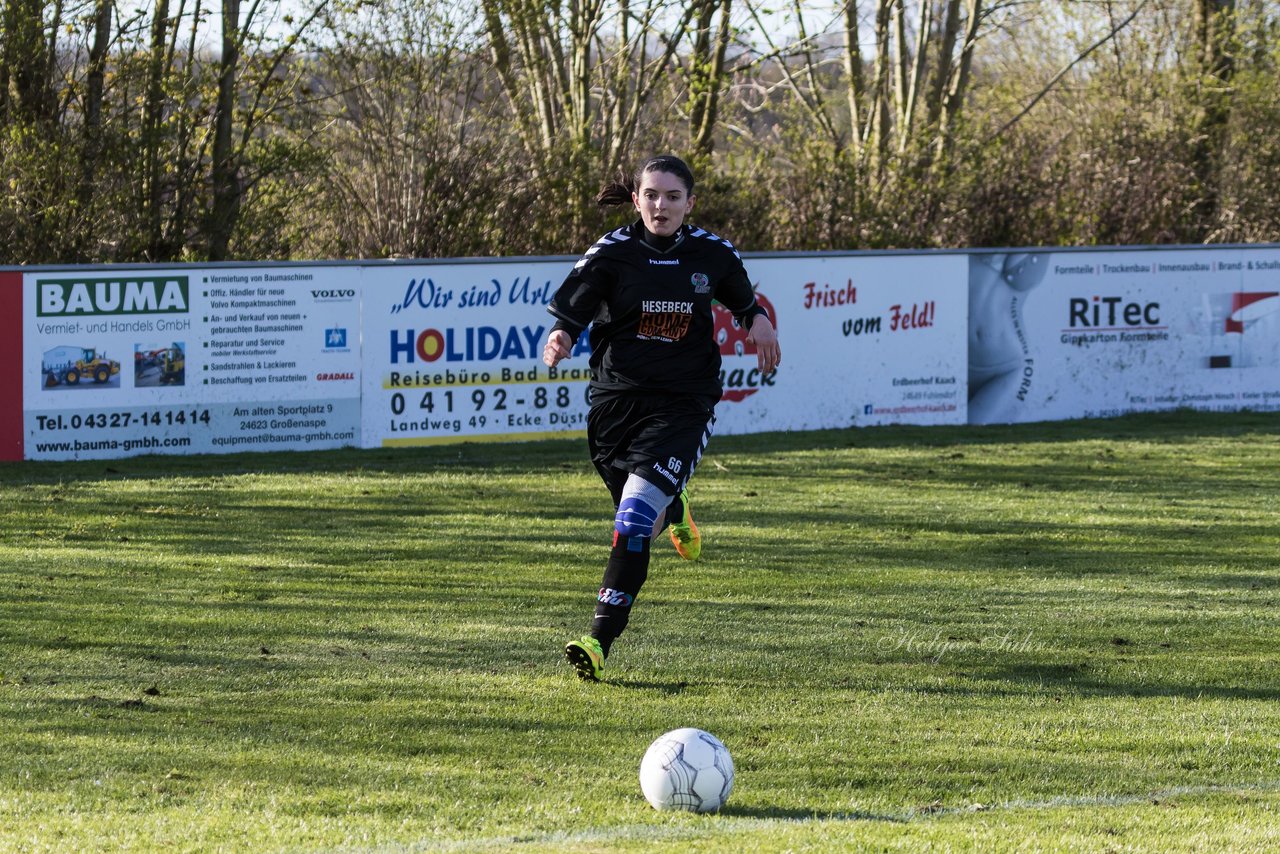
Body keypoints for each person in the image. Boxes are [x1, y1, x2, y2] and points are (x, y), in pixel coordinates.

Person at [541, 154, 781, 681]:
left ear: (690, 203)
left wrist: (758, 323)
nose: (661, 205)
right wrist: (561, 334)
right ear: (636, 199)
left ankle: (599, 639)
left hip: (683, 403)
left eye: (673, 197)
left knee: (630, 524)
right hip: (614, 405)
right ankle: (675, 503)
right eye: (651, 194)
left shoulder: (711, 253)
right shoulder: (612, 253)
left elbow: (744, 301)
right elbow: (572, 310)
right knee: (638, 514)